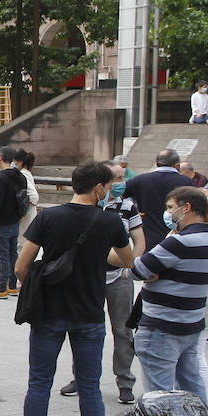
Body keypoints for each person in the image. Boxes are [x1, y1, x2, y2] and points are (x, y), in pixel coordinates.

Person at [0, 162, 134, 416]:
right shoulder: (110, 221)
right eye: (108, 186)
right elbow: (127, 261)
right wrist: (96, 256)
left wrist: (42, 284)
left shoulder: (48, 216)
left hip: (50, 314)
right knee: (90, 388)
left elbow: (20, 266)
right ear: (99, 188)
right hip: (89, 314)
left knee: (39, 385)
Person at [61, 162, 147, 403]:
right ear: (101, 185)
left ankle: (124, 381)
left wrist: (131, 267)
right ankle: (82, 377)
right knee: (84, 328)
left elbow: (139, 240)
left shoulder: (127, 207)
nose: (119, 184)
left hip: (117, 278)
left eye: (122, 178)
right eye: (114, 179)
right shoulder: (83, 205)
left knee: (122, 329)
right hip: (89, 278)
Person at [131, 187, 208, 401]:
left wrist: (154, 272)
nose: (169, 213)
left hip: (162, 327)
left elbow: (137, 270)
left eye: (171, 207)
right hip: (190, 325)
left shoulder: (179, 242)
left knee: (159, 397)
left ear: (186, 207)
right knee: (192, 388)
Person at [123, 148, 191, 249]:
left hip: (147, 238)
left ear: (157, 163)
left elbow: (115, 196)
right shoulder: (186, 182)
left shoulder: (140, 180)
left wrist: (131, 213)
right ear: (177, 165)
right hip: (178, 237)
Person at [0, 147, 29, 299]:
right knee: (12, 253)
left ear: (0, 159)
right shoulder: (21, 176)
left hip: (2, 221)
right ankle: (12, 285)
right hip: (15, 219)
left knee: (3, 255)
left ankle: (1, 287)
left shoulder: (2, 178)